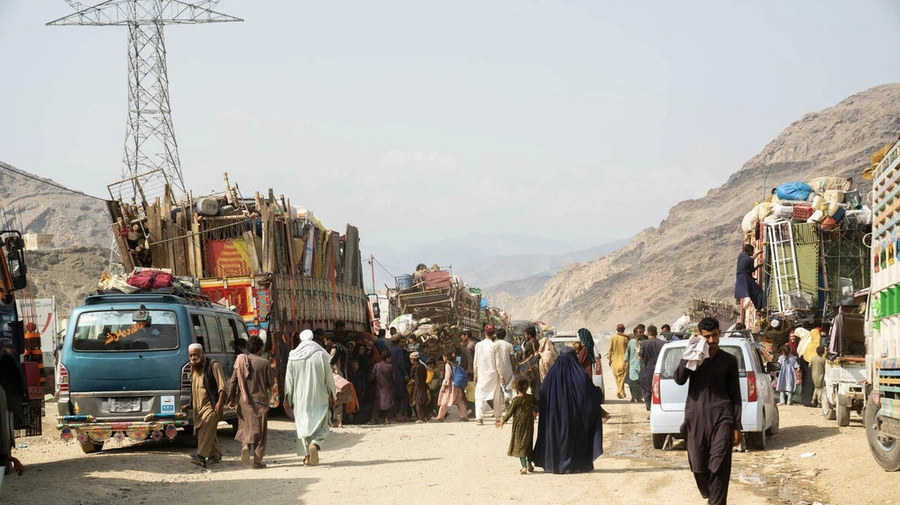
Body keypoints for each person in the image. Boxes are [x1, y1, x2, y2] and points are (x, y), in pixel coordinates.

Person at [674, 317, 743, 505]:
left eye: (714, 336)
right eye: (707, 337)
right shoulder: (695, 358)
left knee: (720, 464)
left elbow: (735, 394)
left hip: (723, 418)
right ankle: (710, 495)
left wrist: (737, 425)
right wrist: (689, 356)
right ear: (701, 337)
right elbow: (679, 379)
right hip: (696, 419)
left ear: (720, 333)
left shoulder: (729, 360)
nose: (712, 341)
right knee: (698, 465)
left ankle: (717, 501)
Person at [532, 346, 603, 474]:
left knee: (557, 437)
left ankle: (555, 464)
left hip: (554, 419)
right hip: (575, 419)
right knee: (574, 438)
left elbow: (542, 391)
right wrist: (597, 393)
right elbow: (590, 394)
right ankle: (574, 465)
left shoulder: (551, 374)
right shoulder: (580, 375)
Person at [284, 329, 336, 466]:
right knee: (324, 422)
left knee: (303, 425)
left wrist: (287, 399)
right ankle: (316, 443)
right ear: (313, 338)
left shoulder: (293, 356)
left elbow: (288, 381)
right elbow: (329, 378)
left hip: (299, 398)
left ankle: (307, 457)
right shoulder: (321, 354)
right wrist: (332, 394)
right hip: (319, 395)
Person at [226, 336, 273, 469]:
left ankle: (246, 445)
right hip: (260, 401)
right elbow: (270, 383)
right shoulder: (265, 363)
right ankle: (257, 462)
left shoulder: (241, 361)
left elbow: (233, 381)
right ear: (260, 348)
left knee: (246, 427)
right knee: (261, 432)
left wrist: (231, 399)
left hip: (244, 401)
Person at [182, 343, 226, 468]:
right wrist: (189, 405)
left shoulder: (214, 365)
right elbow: (195, 390)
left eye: (195, 354)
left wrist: (219, 403)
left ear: (202, 353)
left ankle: (200, 456)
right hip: (198, 408)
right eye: (191, 355)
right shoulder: (193, 368)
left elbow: (223, 387)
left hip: (211, 406)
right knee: (206, 431)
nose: (193, 357)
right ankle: (215, 456)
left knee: (205, 428)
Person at [496, 375, 537, 475]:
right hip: (529, 425)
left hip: (519, 426)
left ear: (515, 387)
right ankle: (530, 464)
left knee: (520, 445)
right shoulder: (530, 398)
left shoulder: (515, 400)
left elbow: (510, 412)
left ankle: (523, 467)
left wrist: (503, 421)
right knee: (528, 444)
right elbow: (538, 403)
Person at [473, 324, 504, 425]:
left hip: (482, 373)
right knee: (496, 396)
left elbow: (476, 361)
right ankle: (498, 417)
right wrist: (501, 376)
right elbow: (498, 363)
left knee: (479, 395)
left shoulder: (478, 345)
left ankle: (479, 417)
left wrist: (475, 374)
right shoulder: (494, 346)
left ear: (484, 332)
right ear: (494, 333)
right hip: (493, 374)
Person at [435, 350, 469, 421]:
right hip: (457, 386)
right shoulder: (455, 364)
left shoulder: (447, 365)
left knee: (444, 401)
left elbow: (447, 376)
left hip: (450, 386)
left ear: (446, 357)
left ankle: (440, 417)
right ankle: (464, 416)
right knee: (459, 401)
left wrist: (444, 385)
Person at [639, 325, 665, 411]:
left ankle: (650, 409)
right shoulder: (662, 343)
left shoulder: (644, 343)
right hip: (660, 371)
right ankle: (658, 409)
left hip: (647, 371)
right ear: (656, 332)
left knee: (647, 391)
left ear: (647, 333)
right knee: (658, 391)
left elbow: (640, 357)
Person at [735, 243, 766, 311]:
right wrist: (758, 264)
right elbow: (750, 263)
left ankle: (758, 308)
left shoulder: (741, 255)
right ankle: (759, 308)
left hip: (741, 279)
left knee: (752, 294)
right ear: (749, 251)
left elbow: (750, 263)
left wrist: (757, 256)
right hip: (746, 279)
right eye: (752, 251)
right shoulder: (748, 259)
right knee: (759, 292)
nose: (753, 252)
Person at [371, 350, 396, 424]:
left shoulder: (377, 365)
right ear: (388, 358)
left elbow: (373, 375)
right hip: (388, 388)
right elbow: (394, 378)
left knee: (378, 403)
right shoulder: (390, 366)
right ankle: (387, 419)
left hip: (379, 387)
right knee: (389, 403)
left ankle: (374, 418)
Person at [389, 331, 410, 420]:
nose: (404, 343)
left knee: (396, 395)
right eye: (402, 341)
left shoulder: (391, 350)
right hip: (399, 375)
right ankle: (401, 413)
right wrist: (405, 373)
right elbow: (400, 363)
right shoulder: (399, 350)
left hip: (392, 374)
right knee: (404, 395)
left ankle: (396, 413)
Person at [607, 324, 629, 399]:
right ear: (624, 329)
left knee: (617, 377)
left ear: (617, 329)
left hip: (615, 361)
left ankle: (621, 392)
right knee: (622, 378)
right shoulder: (626, 339)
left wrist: (609, 359)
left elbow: (610, 350)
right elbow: (628, 350)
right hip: (624, 361)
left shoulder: (613, 338)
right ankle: (620, 391)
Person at [494, 328, 516, 402]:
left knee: (499, 385)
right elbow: (512, 358)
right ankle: (507, 398)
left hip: (496, 368)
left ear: (496, 335)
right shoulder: (509, 345)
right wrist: (514, 369)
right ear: (505, 335)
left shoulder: (494, 345)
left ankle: (502, 402)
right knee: (508, 386)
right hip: (508, 368)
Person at [625, 325, 643, 402]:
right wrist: (624, 361)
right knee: (632, 382)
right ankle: (633, 397)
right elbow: (627, 352)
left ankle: (639, 397)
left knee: (640, 383)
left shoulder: (644, 342)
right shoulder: (631, 342)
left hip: (641, 365)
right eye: (640, 332)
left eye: (642, 332)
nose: (641, 333)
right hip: (632, 365)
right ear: (635, 333)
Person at [410, 351, 429, 423]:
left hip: (417, 386)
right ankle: (427, 414)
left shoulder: (414, 367)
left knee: (418, 402)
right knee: (423, 400)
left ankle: (421, 418)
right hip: (423, 385)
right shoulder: (422, 366)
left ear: (412, 360)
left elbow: (411, 376)